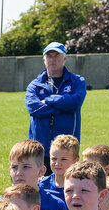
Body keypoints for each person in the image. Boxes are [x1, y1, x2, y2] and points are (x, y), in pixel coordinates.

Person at [25, 42, 87, 172]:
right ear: (44, 60)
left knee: (67, 187)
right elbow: (33, 108)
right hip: (39, 150)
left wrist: (48, 100)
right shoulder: (34, 85)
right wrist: (63, 106)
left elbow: (74, 103)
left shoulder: (77, 81)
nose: (52, 59)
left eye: (56, 55)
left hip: (67, 149)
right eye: (49, 56)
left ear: (64, 58)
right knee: (38, 188)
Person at [9, 139, 68, 210]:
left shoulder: (56, 205)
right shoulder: (1, 204)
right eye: (14, 167)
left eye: (26, 167)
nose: (18, 173)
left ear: (41, 171)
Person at [38, 135, 79, 210]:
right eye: (54, 159)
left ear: (75, 162)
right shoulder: (43, 184)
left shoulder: (80, 186)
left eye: (63, 159)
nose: (57, 163)